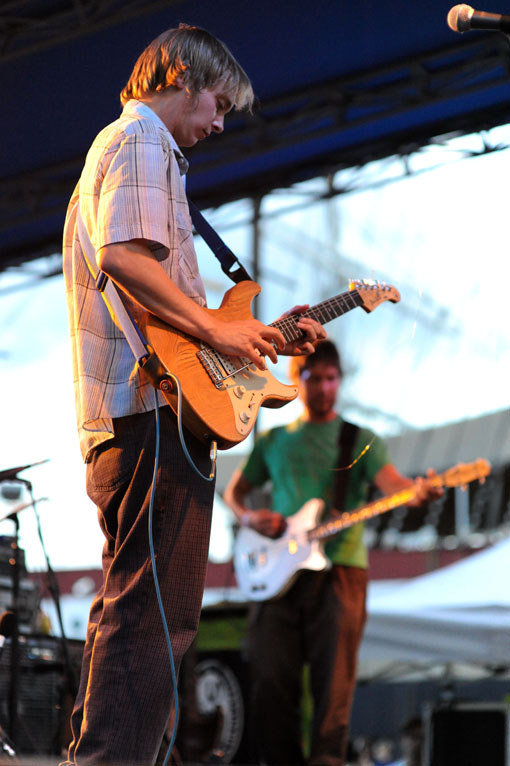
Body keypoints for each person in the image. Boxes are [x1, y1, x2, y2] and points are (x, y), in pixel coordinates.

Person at [62, 24, 324, 766]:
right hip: (149, 416)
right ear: (180, 77)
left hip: (147, 414)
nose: (217, 123)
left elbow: (185, 327)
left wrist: (250, 339)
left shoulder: (135, 151)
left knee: (136, 615)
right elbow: (124, 259)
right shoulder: (142, 140)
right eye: (216, 104)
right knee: (151, 622)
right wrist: (219, 328)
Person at [224, 340, 441, 766]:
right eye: (314, 377)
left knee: (334, 689)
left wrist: (416, 493)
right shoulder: (272, 440)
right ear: (295, 378)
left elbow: (393, 484)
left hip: (340, 571)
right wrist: (250, 519)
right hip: (277, 574)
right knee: (268, 680)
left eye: (331, 379)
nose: (324, 387)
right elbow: (235, 493)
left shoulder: (360, 439)